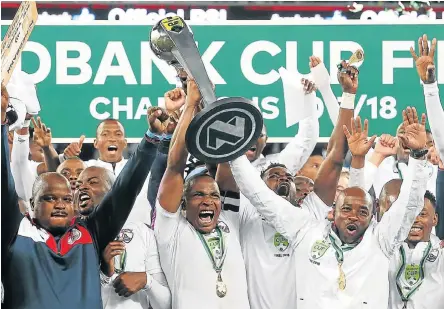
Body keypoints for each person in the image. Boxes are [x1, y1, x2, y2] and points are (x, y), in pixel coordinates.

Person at [231, 89, 430, 309]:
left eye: (363, 212)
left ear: (372, 216)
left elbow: (409, 204)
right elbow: (258, 195)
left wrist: (419, 156)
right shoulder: (306, 230)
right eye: (346, 210)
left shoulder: (381, 240)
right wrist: (232, 149)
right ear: (331, 211)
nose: (353, 216)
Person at [1, 83, 158, 309]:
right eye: (49, 198)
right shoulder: (15, 230)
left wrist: (151, 140)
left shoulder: (89, 232)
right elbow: (3, 179)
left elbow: (124, 190)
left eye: (66, 199)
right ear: (32, 204)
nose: (60, 204)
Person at [154, 79, 250, 309]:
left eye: (214, 196)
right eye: (198, 195)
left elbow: (225, 155)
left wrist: (206, 107)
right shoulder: (171, 229)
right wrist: (189, 105)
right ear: (183, 203)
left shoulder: (229, 220)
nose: (208, 201)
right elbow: (175, 166)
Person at [73, 164, 171, 309]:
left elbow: (165, 305)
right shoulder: (70, 236)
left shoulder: (142, 232)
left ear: (114, 191)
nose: (83, 187)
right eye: (78, 185)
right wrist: (105, 272)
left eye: (93, 182)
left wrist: (146, 281)